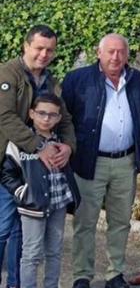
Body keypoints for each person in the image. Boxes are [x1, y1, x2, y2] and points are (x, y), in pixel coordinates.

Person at [62, 34, 140, 288]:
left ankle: (115, 273)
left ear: (127, 55)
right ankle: (82, 275)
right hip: (90, 162)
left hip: (125, 161)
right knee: (85, 222)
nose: (115, 57)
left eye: (121, 52)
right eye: (110, 52)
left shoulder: (136, 79)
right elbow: (65, 120)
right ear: (98, 53)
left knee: (120, 222)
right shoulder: (77, 80)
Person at [0, 26, 76, 288]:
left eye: (50, 50)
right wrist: (38, 146)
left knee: (21, 234)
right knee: (2, 229)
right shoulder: (8, 73)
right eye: (39, 48)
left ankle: (16, 284)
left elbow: (64, 118)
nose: (44, 54)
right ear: (26, 46)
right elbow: (4, 117)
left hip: (35, 170)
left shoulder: (51, 81)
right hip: (7, 163)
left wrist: (68, 145)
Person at [2, 94, 80, 288]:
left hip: (58, 203)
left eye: (52, 115)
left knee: (54, 251)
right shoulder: (21, 142)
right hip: (33, 205)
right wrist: (22, 193)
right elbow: (7, 173)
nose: (46, 118)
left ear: (59, 118)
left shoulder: (61, 141)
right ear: (31, 113)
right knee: (31, 253)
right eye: (41, 113)